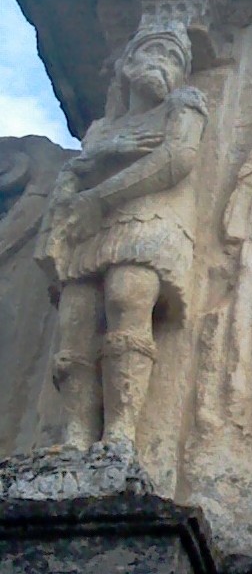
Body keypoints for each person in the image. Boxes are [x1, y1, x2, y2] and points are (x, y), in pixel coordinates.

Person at [36, 23, 207, 448]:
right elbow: (69, 182)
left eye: (175, 59)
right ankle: (76, 435)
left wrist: (100, 195)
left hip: (146, 221)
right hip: (89, 230)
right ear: (128, 63)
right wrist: (98, 158)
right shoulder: (100, 131)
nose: (164, 65)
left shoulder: (185, 104)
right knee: (75, 321)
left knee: (127, 299)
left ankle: (121, 435)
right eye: (156, 52)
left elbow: (177, 159)